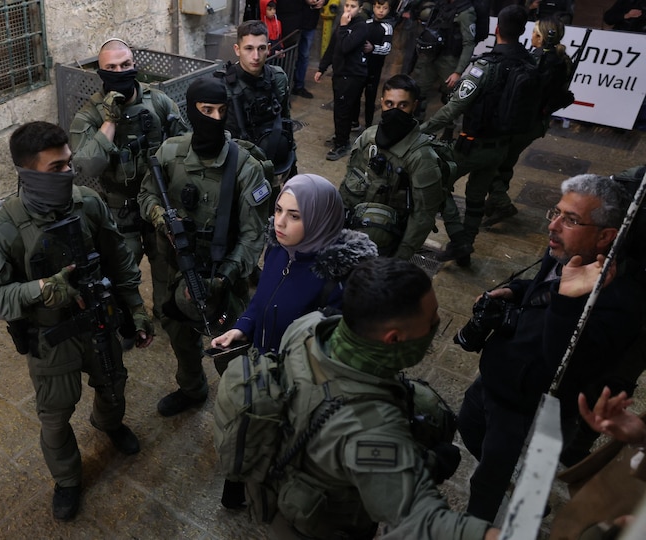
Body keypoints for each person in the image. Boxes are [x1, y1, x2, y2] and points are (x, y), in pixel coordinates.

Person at [0, 121, 154, 521]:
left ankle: (108, 424)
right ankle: (68, 479)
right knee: (55, 417)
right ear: (26, 172)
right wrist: (39, 290)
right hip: (50, 337)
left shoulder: (87, 203)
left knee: (113, 384)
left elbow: (119, 261)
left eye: (69, 164)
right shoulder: (2, 230)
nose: (69, 174)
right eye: (56, 168)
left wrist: (136, 309)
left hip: (101, 322)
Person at [264, 257, 499, 539]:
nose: (438, 323)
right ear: (394, 339)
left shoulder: (307, 327)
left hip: (282, 486)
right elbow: (420, 518)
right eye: (432, 319)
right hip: (322, 525)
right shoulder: (370, 425)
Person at [456, 173, 645, 522]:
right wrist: (514, 290)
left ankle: (498, 521)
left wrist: (568, 301)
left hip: (532, 412)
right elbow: (540, 284)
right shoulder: (565, 248)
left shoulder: (621, 301)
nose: (554, 226)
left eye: (571, 219)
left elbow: (567, 364)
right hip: (493, 382)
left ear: (606, 236)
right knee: (470, 431)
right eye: (555, 212)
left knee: (492, 485)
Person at [138, 77, 271, 417]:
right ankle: (192, 388)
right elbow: (147, 194)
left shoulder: (245, 168)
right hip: (174, 271)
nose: (214, 118)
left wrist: (226, 275)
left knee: (232, 350)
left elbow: (254, 235)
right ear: (191, 110)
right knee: (180, 336)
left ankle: (245, 411)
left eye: (221, 111)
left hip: (221, 278)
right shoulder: (170, 153)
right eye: (205, 110)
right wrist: (162, 218)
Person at [69, 38, 186, 321]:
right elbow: (88, 166)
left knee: (166, 266)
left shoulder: (158, 102)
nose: (120, 72)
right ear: (101, 71)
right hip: (119, 209)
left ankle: (165, 315)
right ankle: (128, 321)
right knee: (121, 270)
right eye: (111, 67)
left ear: (135, 66)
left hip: (158, 203)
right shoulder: (90, 115)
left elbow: (184, 150)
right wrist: (110, 120)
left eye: (126, 65)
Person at [212, 174, 377, 355]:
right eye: (278, 210)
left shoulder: (341, 278)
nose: (279, 222)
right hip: (265, 365)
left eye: (294, 216)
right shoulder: (277, 249)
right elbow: (263, 298)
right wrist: (244, 326)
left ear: (321, 220)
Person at [420, 4, 534, 263]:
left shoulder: (484, 66)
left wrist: (422, 129)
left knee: (437, 183)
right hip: (501, 147)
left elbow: (453, 109)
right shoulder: (528, 63)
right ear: (522, 30)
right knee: (475, 197)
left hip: (472, 146)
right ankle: (466, 245)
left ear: (497, 29)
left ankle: (459, 240)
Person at [341, 74, 461, 260]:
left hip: (388, 244)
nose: (394, 110)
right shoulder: (369, 137)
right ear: (381, 103)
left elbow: (423, 217)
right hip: (353, 232)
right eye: (389, 104)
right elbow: (350, 181)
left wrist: (400, 259)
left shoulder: (422, 157)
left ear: (414, 105)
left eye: (402, 105)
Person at [481, 15, 574, 227]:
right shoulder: (558, 59)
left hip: (523, 122)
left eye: (535, 33)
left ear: (542, 37)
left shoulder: (544, 61)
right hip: (533, 123)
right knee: (505, 162)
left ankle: (502, 203)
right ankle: (494, 203)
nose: (531, 36)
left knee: (491, 160)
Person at [222, 20, 296, 197]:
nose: (256, 56)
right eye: (249, 48)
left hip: (273, 164)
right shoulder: (222, 86)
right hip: (238, 168)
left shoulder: (278, 78)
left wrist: (291, 173)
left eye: (261, 48)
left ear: (268, 48)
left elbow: (285, 121)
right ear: (237, 49)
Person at [314, 0, 370, 161]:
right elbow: (333, 47)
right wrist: (322, 68)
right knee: (340, 108)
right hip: (340, 73)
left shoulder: (361, 26)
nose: (348, 10)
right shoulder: (343, 24)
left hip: (352, 74)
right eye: (346, 6)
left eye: (352, 7)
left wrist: (344, 26)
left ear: (359, 9)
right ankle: (340, 137)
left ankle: (342, 144)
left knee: (343, 111)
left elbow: (346, 47)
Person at [410, 0, 478, 122]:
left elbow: (469, 43)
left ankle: (448, 132)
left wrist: (458, 72)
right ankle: (416, 125)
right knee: (419, 92)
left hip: (449, 61)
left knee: (450, 99)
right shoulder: (442, 4)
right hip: (432, 56)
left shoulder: (465, 12)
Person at [355, 0, 395, 130]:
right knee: (356, 94)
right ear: (373, 7)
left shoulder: (387, 27)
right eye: (378, 7)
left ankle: (368, 125)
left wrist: (373, 48)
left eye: (384, 8)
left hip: (375, 68)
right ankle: (354, 122)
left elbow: (387, 48)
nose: (381, 11)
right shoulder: (366, 24)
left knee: (370, 98)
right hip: (361, 66)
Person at [278, 0, 328, 99]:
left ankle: (299, 86)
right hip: (291, 20)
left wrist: (323, 1)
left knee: (304, 56)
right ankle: (283, 89)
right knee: (287, 57)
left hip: (310, 21)